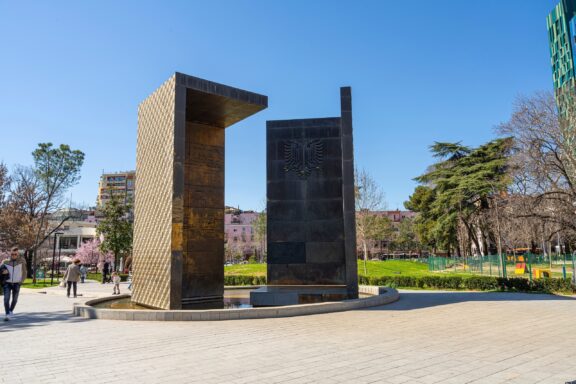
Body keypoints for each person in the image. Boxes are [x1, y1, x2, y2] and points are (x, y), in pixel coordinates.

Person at [1, 246, 27, 321]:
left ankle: (11, 310)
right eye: (12, 254)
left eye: (15, 254)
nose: (14, 256)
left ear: (18, 254)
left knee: (15, 299)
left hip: (16, 283)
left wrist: (21, 281)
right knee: (6, 299)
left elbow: (25, 272)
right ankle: (7, 314)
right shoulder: (5, 261)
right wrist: (3, 272)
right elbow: (0, 270)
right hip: (7, 283)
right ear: (10, 254)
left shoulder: (21, 261)